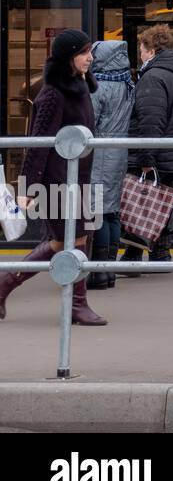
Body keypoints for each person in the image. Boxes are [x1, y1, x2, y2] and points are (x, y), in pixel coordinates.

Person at [0, 29, 107, 325]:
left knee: (81, 239)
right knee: (63, 243)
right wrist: (28, 186)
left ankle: (77, 305)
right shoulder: (53, 94)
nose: (90, 57)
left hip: (78, 179)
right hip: (57, 182)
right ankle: (6, 284)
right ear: (69, 56)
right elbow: (38, 142)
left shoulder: (79, 86)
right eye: (84, 52)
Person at [125, 25, 173, 269]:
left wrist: (145, 156)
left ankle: (132, 255)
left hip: (158, 152)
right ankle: (161, 254)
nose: (140, 55)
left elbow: (151, 120)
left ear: (151, 50)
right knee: (160, 202)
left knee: (142, 201)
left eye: (142, 49)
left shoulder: (153, 77)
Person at [87, 41, 134, 291]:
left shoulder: (99, 85)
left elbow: (89, 121)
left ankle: (97, 271)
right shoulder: (126, 83)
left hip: (99, 153)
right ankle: (110, 270)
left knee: (98, 211)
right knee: (113, 211)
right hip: (119, 151)